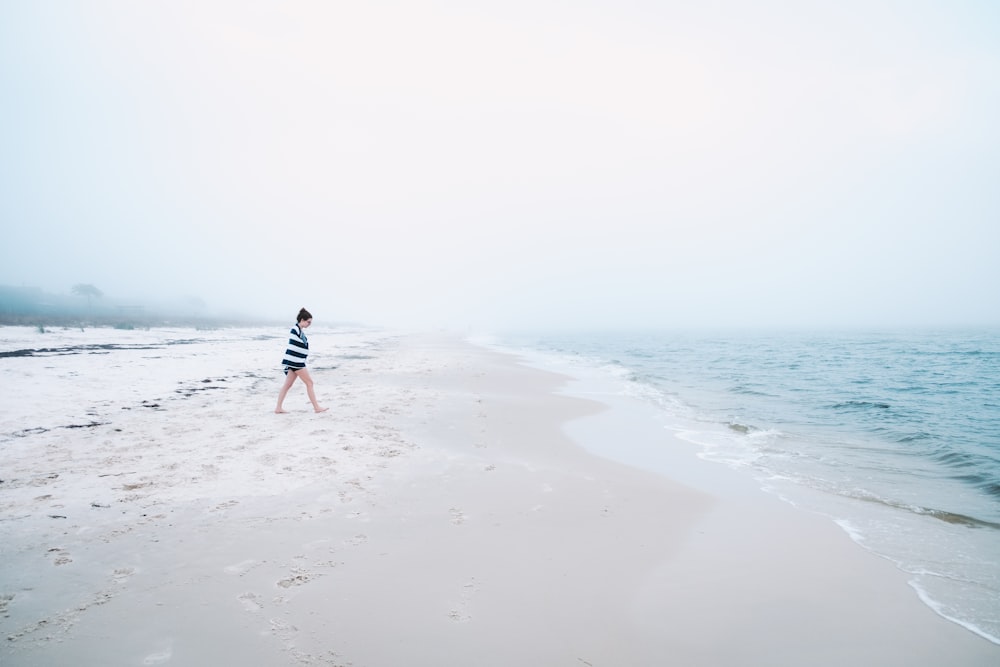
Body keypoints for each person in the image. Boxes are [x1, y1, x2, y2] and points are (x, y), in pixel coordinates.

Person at [275, 308, 328, 414]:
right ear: (302, 320)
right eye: (308, 322)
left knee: (287, 385)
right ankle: (316, 407)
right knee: (309, 383)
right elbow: (294, 345)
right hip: (296, 362)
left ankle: (278, 408)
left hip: (294, 361)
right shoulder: (295, 329)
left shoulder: (299, 330)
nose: (309, 324)